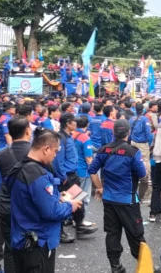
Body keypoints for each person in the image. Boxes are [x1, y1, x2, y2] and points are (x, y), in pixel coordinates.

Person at [7, 128, 83, 273]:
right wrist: (69, 205)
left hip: (22, 237)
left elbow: (32, 199)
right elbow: (51, 212)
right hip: (37, 242)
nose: (56, 156)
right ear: (46, 149)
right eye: (56, 151)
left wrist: (57, 197)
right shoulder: (38, 175)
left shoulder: (20, 167)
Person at [88, 119, 148, 273]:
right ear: (128, 133)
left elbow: (92, 170)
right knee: (136, 233)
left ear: (113, 132)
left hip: (109, 200)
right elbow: (142, 175)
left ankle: (115, 266)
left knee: (112, 233)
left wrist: (99, 188)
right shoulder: (133, 152)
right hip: (128, 200)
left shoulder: (103, 150)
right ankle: (144, 264)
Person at [0, 115, 32, 273]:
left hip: (6, 204)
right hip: (30, 206)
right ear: (28, 131)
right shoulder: (36, 152)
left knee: (9, 245)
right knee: (31, 245)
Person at [52, 112, 97, 242]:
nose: (76, 124)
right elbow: (58, 160)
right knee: (63, 203)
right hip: (66, 177)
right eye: (73, 121)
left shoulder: (69, 136)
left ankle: (80, 227)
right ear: (68, 123)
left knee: (79, 201)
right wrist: (62, 176)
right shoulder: (61, 138)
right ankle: (60, 232)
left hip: (73, 174)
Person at [72, 114, 94, 224]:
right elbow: (89, 158)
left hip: (72, 170)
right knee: (84, 196)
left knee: (73, 195)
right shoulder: (85, 138)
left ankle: (71, 218)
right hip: (83, 171)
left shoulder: (71, 135)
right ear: (87, 125)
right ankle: (81, 220)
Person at [128, 103, 152, 201]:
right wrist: (148, 144)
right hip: (142, 144)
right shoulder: (145, 119)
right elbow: (148, 133)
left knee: (133, 162)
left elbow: (129, 133)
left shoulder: (131, 119)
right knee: (145, 164)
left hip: (133, 143)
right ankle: (144, 193)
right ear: (143, 110)